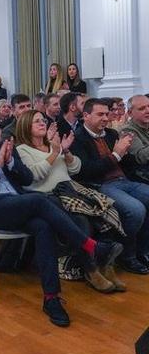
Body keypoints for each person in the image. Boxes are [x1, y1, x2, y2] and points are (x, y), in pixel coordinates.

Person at [0, 110, 121, 327]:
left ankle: (51, 298)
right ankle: (91, 246)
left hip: (17, 202)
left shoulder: (3, 146)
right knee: (40, 200)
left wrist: (11, 164)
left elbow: (25, 177)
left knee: (44, 227)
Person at [13, 110, 125, 292]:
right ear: (26, 126)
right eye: (36, 122)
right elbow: (33, 176)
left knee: (107, 211)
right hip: (47, 196)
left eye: (42, 120)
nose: (42, 123)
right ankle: (91, 271)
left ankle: (107, 266)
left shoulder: (53, 144)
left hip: (70, 190)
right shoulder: (22, 150)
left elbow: (75, 169)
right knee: (82, 221)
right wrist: (54, 153)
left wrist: (65, 152)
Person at [70, 98, 149, 274]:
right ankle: (127, 256)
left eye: (107, 114)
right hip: (100, 185)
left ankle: (143, 251)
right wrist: (116, 154)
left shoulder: (112, 134)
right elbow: (86, 172)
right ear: (86, 116)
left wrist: (126, 150)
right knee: (136, 210)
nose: (106, 118)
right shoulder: (78, 139)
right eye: (100, 114)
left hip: (124, 181)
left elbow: (126, 163)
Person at [122, 94, 149, 184]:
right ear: (130, 113)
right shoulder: (127, 131)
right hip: (143, 176)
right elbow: (140, 157)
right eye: (142, 109)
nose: (148, 111)